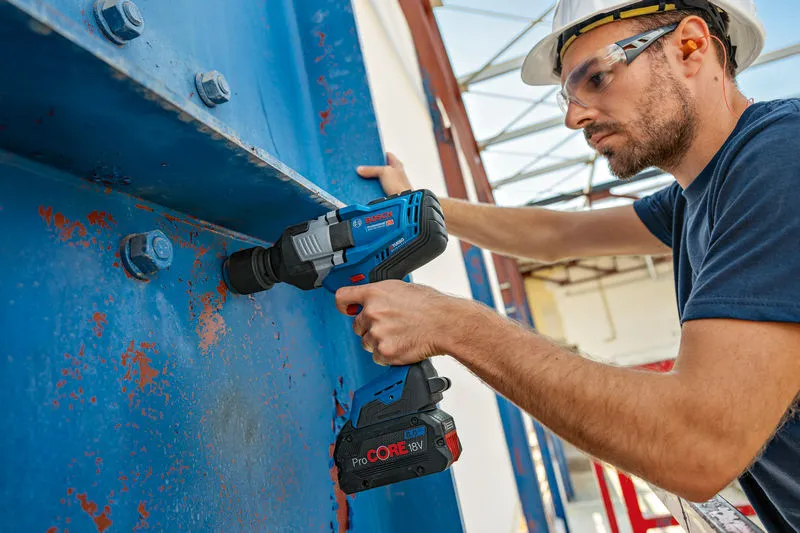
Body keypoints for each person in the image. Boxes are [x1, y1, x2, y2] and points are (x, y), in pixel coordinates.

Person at [336, 0, 800, 530]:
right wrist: (423, 207)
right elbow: (558, 234)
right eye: (569, 95)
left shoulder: (781, 157)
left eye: (597, 78)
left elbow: (696, 443)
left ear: (690, 46)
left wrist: (453, 323)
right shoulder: (697, 196)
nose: (573, 116)